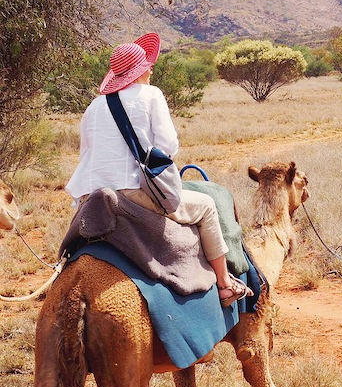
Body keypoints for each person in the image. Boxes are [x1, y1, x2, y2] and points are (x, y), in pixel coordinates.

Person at [65, 33, 250, 307]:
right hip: (132, 193)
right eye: (147, 66)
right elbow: (167, 146)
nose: (151, 69)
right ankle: (224, 282)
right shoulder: (151, 95)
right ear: (139, 72)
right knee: (208, 205)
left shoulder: (94, 106)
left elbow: (86, 155)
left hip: (90, 198)